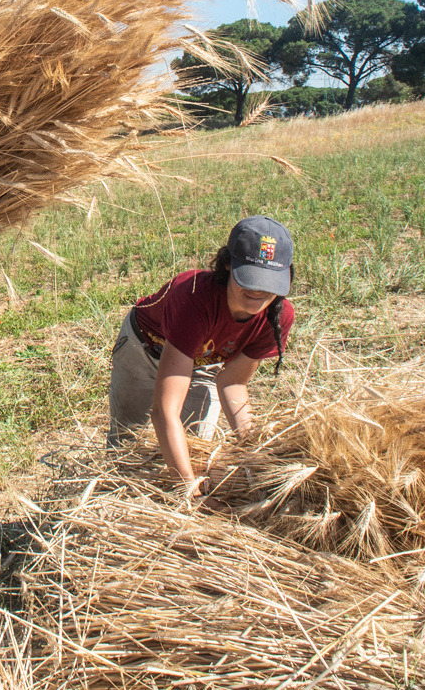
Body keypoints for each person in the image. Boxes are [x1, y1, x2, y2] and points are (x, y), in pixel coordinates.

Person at [108, 215, 294, 506]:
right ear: (228, 264)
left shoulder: (279, 317)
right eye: (249, 280)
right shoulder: (195, 298)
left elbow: (232, 382)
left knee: (195, 450)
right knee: (128, 444)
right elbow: (165, 412)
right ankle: (117, 505)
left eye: (267, 283)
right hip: (145, 348)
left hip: (203, 360)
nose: (257, 293)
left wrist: (255, 449)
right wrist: (189, 490)